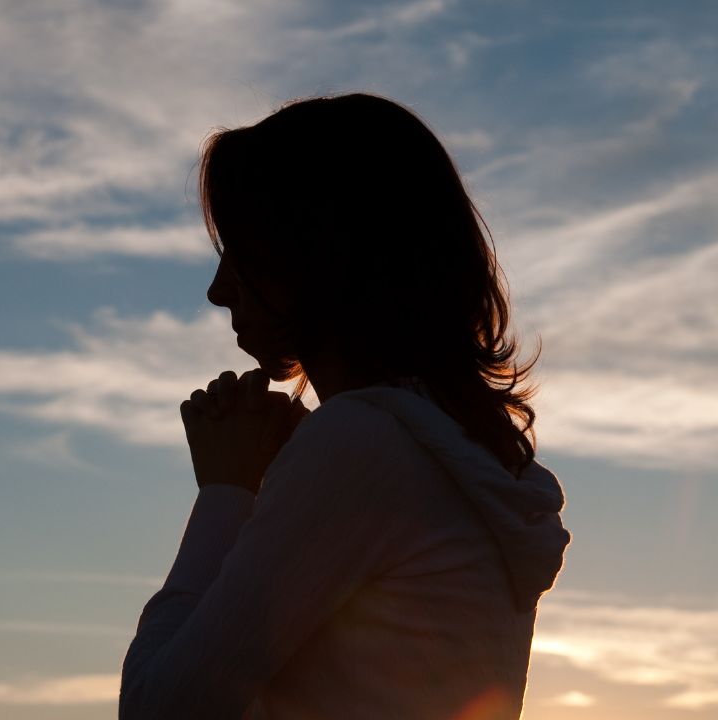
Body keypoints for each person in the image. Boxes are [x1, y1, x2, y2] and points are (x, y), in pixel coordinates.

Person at [118, 93, 571, 720]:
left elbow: (160, 710)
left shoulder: (360, 446)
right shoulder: (456, 449)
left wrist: (224, 491)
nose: (219, 290)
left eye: (245, 253)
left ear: (319, 253)